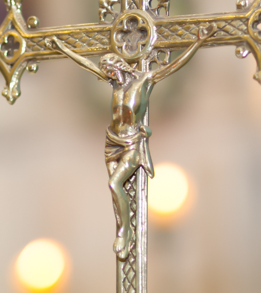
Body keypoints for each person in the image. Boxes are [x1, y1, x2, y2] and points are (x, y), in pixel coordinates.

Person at [46, 26, 211, 260]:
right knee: (115, 192)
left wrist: (198, 42)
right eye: (106, 72)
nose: (107, 75)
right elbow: (86, 64)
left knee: (115, 184)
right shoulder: (114, 84)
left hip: (132, 143)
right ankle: (123, 226)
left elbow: (174, 66)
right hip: (112, 142)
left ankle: (124, 233)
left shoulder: (144, 80)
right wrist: (62, 48)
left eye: (109, 70)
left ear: (118, 66)